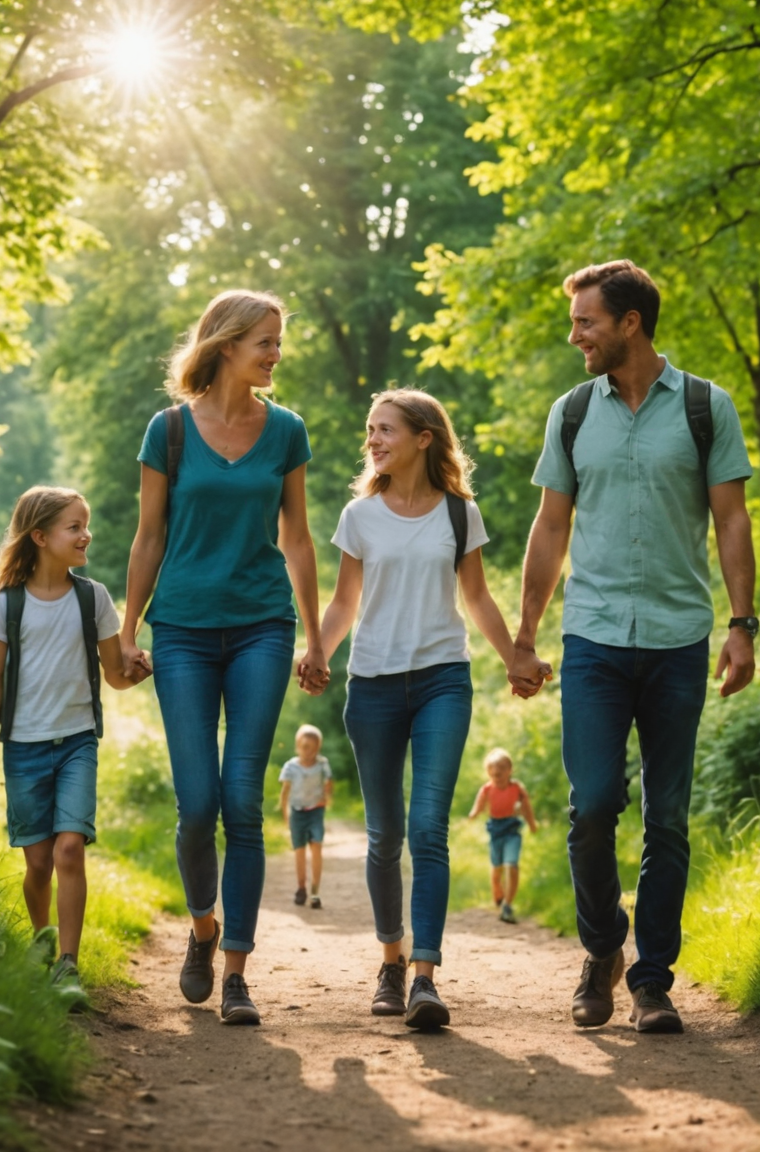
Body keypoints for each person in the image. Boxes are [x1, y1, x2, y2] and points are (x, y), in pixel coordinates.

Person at [509, 260, 759, 1035]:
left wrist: (742, 625)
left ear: (630, 323)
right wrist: (523, 635)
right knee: (591, 808)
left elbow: (732, 521)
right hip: (593, 639)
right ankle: (601, 951)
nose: (574, 334)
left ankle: (652, 980)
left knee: (669, 818)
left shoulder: (704, 407)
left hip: (680, 637)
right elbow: (551, 526)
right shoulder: (573, 412)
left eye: (586, 321)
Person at [119, 290, 329, 1027]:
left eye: (279, 342)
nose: (277, 354)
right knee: (197, 802)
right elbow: (148, 537)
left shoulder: (287, 432)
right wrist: (126, 628)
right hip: (179, 627)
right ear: (227, 344)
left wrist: (314, 633)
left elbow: (298, 537)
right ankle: (203, 928)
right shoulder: (169, 430)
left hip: (261, 627)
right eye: (266, 342)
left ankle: (237, 970)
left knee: (241, 798)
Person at [318, 389, 518, 1030]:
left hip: (441, 680)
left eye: (385, 431)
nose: (373, 441)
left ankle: (425, 978)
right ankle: (390, 961)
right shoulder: (359, 515)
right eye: (370, 431)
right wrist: (317, 651)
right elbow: (344, 602)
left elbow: (478, 597)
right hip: (372, 684)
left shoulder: (460, 514)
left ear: (424, 438)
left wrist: (515, 655)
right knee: (385, 836)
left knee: (429, 827)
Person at [0, 486, 148, 1005]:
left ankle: (67, 966)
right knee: (39, 864)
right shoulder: (8, 605)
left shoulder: (92, 598)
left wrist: (138, 672)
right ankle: (42, 939)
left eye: (85, 524)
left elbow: (113, 676)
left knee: (70, 849)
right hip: (23, 748)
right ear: (41, 536)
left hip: (77, 743)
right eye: (74, 526)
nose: (85, 534)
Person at [467, 748, 538, 924]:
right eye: (492, 767)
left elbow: (527, 806)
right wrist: (474, 813)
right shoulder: (486, 789)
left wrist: (531, 823)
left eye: (501, 767)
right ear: (488, 771)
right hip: (495, 831)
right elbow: (478, 805)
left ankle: (507, 904)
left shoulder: (517, 788)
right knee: (497, 867)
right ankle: (497, 890)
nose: (496, 771)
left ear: (510, 770)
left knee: (511, 865)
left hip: (512, 829)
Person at [277, 723, 333, 908]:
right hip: (297, 813)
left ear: (318, 748)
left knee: (316, 847)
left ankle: (315, 892)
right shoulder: (291, 766)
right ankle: (301, 888)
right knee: (299, 851)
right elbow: (285, 792)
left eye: (313, 748)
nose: (308, 752)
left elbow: (328, 781)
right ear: (297, 746)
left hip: (316, 811)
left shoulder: (322, 764)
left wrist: (327, 796)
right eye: (304, 747)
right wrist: (285, 814)